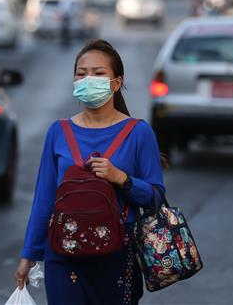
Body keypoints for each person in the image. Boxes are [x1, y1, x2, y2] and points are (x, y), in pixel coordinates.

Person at [14, 39, 165, 305]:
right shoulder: (58, 132)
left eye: (98, 73)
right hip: (63, 253)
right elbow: (44, 200)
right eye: (81, 74)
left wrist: (122, 179)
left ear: (116, 83)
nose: (88, 79)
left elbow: (156, 199)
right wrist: (29, 255)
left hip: (117, 256)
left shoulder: (139, 133)